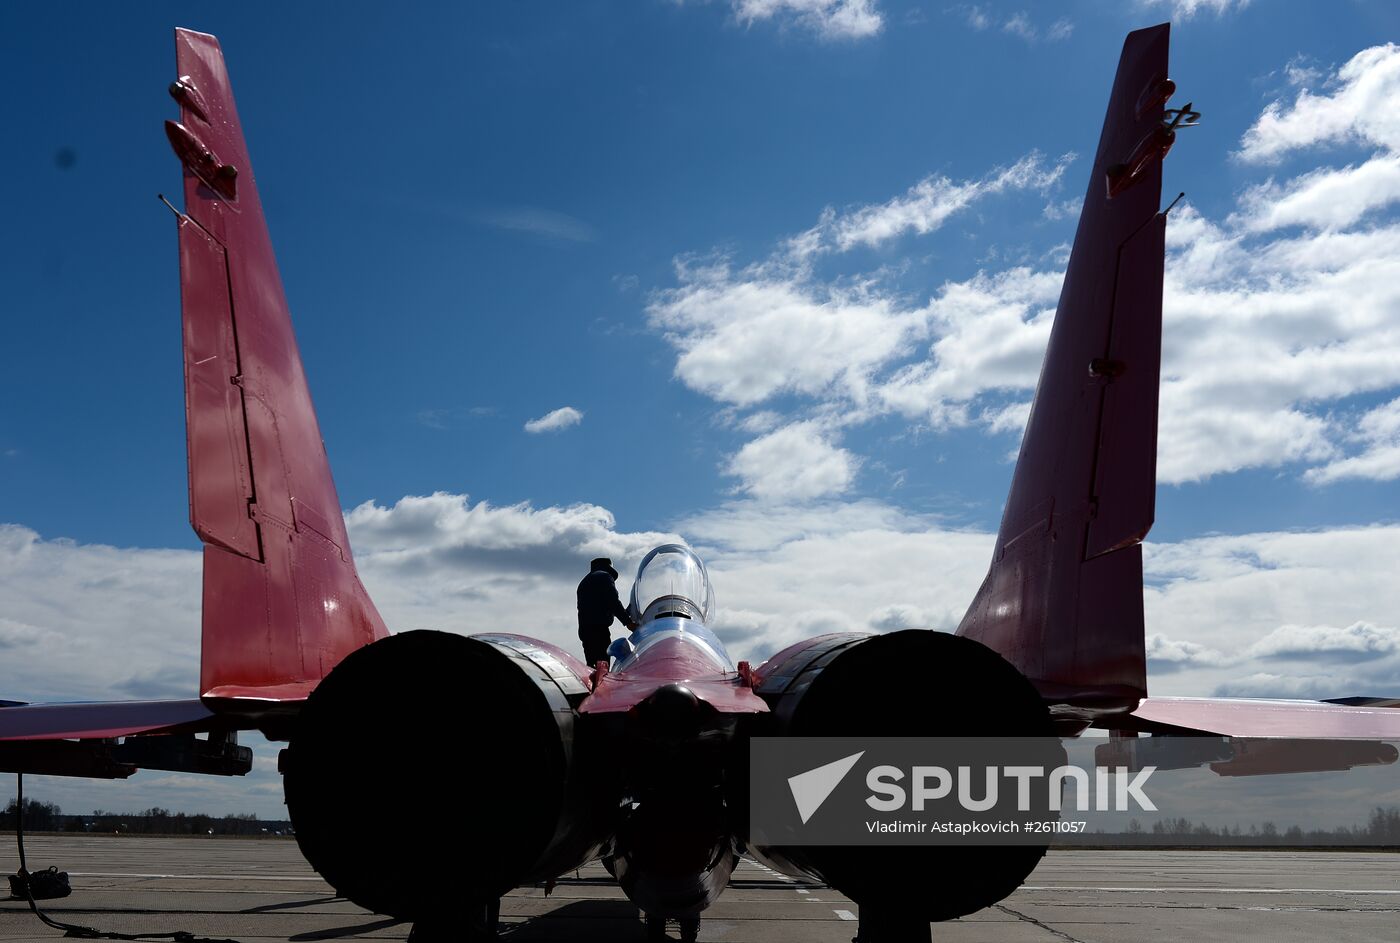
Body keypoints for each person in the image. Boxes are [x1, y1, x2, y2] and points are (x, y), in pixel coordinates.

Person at [576, 557, 635, 667]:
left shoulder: (584, 582)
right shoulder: (605, 576)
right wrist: (628, 622)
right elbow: (613, 602)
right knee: (603, 667)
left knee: (592, 668)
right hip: (599, 631)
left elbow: (598, 606)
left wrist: (625, 612)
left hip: (585, 631)